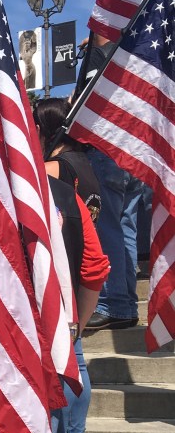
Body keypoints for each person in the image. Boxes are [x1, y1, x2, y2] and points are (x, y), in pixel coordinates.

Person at [0, 170, 109, 433]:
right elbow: (94, 267)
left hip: (7, 322)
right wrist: (76, 322)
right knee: (44, 413)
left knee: (18, 423)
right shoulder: (63, 193)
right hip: (57, 318)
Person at [35, 97, 107, 433]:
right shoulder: (87, 166)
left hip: (58, 278)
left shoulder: (53, 170)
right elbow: (94, 263)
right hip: (78, 275)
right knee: (75, 361)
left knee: (58, 365)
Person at [79, 33, 150, 333]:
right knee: (126, 227)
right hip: (133, 152)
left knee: (106, 226)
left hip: (107, 150)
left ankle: (114, 303)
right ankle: (127, 304)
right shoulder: (132, 55)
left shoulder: (101, 58)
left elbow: (84, 103)